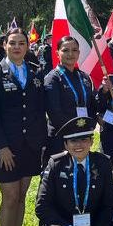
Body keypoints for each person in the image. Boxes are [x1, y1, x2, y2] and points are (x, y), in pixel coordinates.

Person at [0, 28, 47, 226]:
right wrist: (1, 147)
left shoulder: (36, 71)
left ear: (27, 46)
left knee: (21, 197)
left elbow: (38, 109)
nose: (17, 47)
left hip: (30, 146)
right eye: (12, 43)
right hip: (6, 149)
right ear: (4, 45)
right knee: (9, 198)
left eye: (21, 43)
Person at [44, 36, 97, 164]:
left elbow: (91, 105)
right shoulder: (52, 78)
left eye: (74, 50)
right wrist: (75, 131)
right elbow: (54, 112)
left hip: (83, 135)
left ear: (79, 53)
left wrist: (89, 126)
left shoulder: (84, 77)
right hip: (61, 137)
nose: (70, 54)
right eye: (65, 50)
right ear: (57, 53)